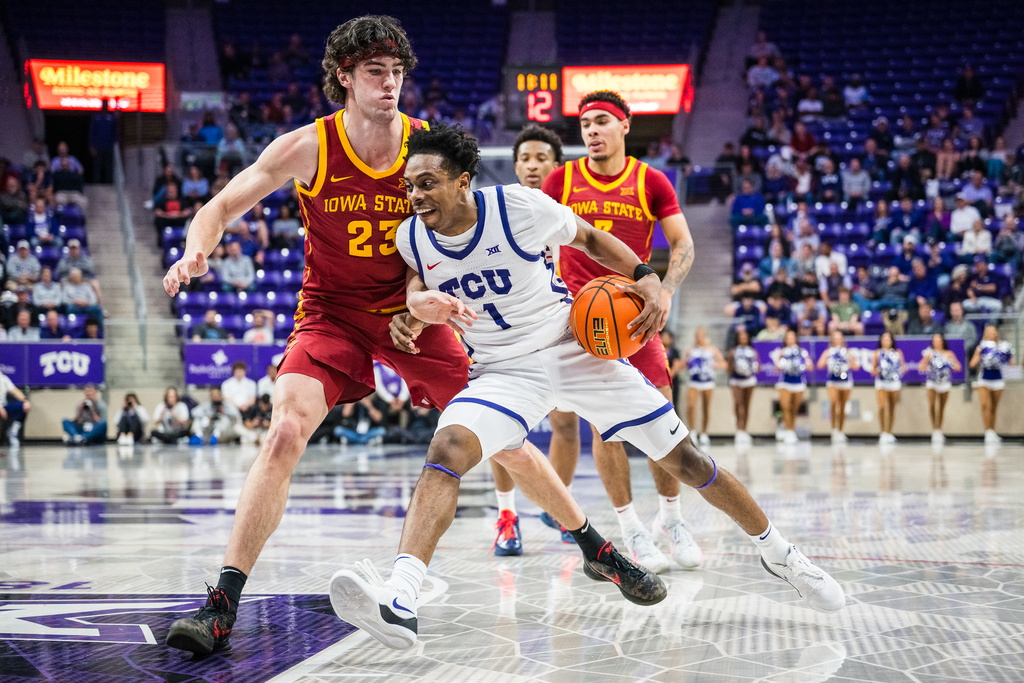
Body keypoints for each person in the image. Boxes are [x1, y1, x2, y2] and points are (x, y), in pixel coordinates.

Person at [163, 16, 636, 656]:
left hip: (415, 312)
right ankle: (222, 604)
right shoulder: (308, 147)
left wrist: (424, 303)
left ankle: (592, 545)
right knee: (283, 431)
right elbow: (218, 207)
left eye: (396, 72)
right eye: (374, 73)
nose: (390, 84)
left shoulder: (426, 150)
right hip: (331, 311)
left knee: (502, 438)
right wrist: (196, 253)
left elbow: (460, 231)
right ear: (345, 79)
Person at [330, 123, 845, 651]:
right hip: (503, 371)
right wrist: (416, 308)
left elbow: (592, 239)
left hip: (574, 347)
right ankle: (401, 600)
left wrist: (646, 274)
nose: (415, 196)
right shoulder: (410, 235)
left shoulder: (519, 206)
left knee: (686, 461)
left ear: (463, 181)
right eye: (410, 186)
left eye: (428, 183)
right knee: (446, 447)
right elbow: (417, 282)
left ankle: (780, 553)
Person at [536, 90, 704, 573]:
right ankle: (631, 529)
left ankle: (671, 519)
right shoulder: (560, 179)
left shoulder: (651, 181)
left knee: (663, 419)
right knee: (603, 425)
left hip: (636, 315)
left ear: (625, 125)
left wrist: (666, 289)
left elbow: (682, 242)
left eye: (602, 121)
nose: (591, 130)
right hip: (580, 322)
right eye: (585, 123)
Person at [683, 327, 726, 449]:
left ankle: (704, 433)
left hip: (707, 381)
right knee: (691, 406)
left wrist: (715, 364)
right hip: (694, 381)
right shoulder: (690, 350)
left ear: (705, 336)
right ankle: (692, 431)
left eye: (701, 335)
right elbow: (683, 364)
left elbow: (724, 363)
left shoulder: (712, 350)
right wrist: (687, 362)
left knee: (706, 407)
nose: (699, 337)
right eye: (697, 335)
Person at [970, 325, 1013, 444]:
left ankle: (993, 431)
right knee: (985, 406)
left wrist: (1003, 357)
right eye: (988, 331)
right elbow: (972, 364)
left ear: (996, 333)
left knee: (994, 407)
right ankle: (987, 432)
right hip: (984, 379)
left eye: (992, 331)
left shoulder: (1004, 346)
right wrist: (981, 355)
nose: (990, 333)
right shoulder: (982, 346)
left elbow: (1011, 365)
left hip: (998, 379)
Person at [817, 330, 860, 443]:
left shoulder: (848, 352)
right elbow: (820, 365)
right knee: (834, 402)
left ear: (842, 340)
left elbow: (856, 367)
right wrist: (828, 361)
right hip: (833, 381)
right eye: (835, 338)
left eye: (839, 338)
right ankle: (834, 430)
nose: (837, 340)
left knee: (842, 407)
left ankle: (840, 431)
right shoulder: (828, 352)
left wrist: (849, 361)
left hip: (845, 382)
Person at [919, 334, 961, 444]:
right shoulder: (929, 354)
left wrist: (950, 365)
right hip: (932, 382)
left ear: (942, 341)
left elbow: (958, 366)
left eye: (939, 340)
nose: (937, 342)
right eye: (935, 340)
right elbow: (921, 366)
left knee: (941, 407)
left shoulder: (949, 354)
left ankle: (939, 430)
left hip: (945, 383)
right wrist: (927, 367)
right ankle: (934, 429)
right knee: (932, 405)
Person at [773, 329, 810, 444]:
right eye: (788, 338)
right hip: (785, 381)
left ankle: (791, 430)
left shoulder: (802, 352)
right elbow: (777, 368)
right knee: (785, 406)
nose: (790, 340)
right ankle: (788, 430)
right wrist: (782, 364)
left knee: (794, 408)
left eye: (792, 337)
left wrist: (803, 364)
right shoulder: (781, 351)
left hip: (798, 382)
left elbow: (810, 366)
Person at [870, 332, 905, 445]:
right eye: (884, 339)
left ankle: (890, 432)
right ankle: (883, 432)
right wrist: (881, 370)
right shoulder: (877, 353)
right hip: (881, 382)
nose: (886, 341)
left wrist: (898, 370)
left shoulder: (897, 353)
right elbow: (873, 371)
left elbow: (903, 367)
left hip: (894, 383)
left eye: (888, 339)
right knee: (882, 406)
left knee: (892, 408)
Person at [727, 328, 759, 444]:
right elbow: (729, 368)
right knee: (738, 403)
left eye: (745, 337)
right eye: (741, 337)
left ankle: (744, 430)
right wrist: (736, 367)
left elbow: (758, 366)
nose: (743, 339)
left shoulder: (752, 351)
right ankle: (738, 430)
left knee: (746, 405)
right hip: (736, 380)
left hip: (749, 380)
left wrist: (752, 367)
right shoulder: (733, 351)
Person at [0, 369, 31, 449]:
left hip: (4, 406)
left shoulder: (4, 378)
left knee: (24, 406)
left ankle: (13, 432)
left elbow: (15, 391)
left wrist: (25, 400)